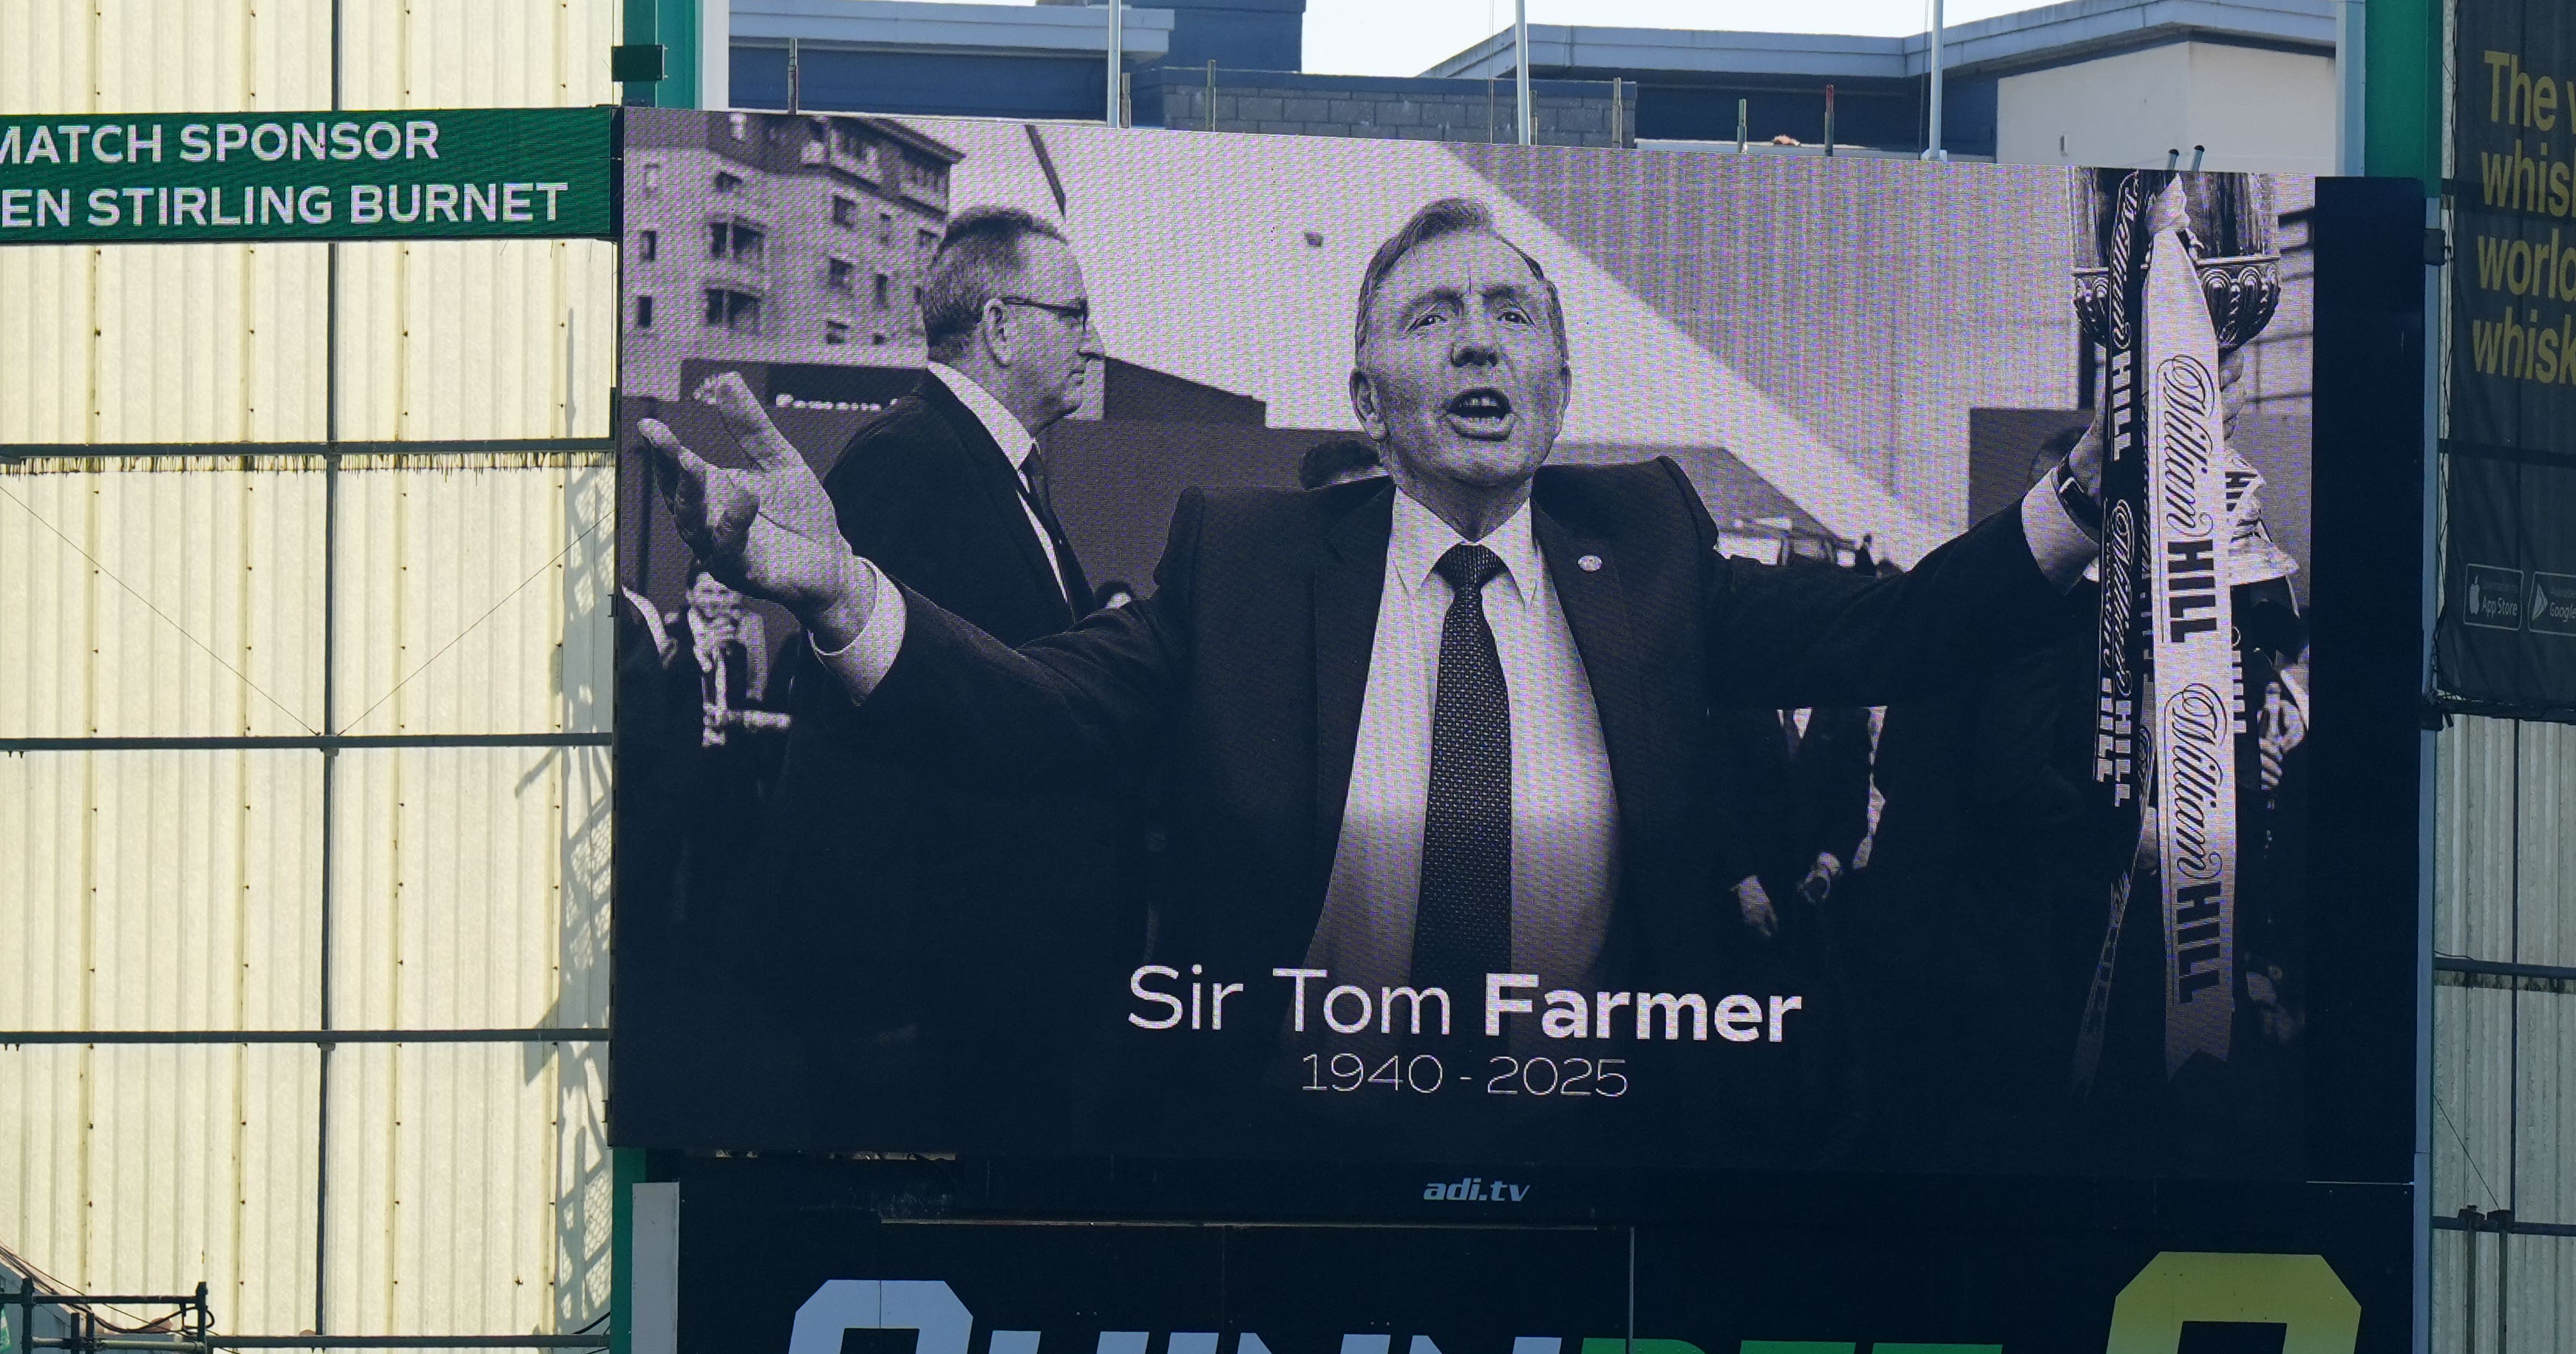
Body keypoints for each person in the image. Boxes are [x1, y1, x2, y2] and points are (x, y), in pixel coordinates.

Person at [648, 195, 2103, 1042]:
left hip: (1608, 1119)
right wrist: (844, 593)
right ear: (1367, 403)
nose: (1476, 337)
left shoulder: (1650, 544)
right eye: (1430, 318)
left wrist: (2085, 502)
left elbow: (1900, 634)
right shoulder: (1249, 566)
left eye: (1509, 312)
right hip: (1304, 1120)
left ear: (1556, 384)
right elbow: (1040, 709)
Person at [741, 205, 1132, 1150]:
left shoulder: (999, 471)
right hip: (933, 1013)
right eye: (1073, 313)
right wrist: (882, 1011)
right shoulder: (914, 460)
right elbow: (863, 743)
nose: (1091, 341)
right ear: (1000, 325)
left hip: (994, 993)